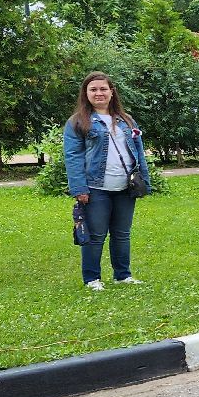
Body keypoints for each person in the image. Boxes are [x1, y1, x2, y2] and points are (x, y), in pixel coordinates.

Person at [63, 72, 148, 291]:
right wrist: (79, 188)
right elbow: (73, 157)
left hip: (124, 187)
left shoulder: (126, 119)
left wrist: (144, 181)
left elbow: (139, 151)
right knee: (96, 235)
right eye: (93, 89)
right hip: (96, 188)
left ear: (112, 92)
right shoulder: (77, 122)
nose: (99, 93)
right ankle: (92, 279)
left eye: (103, 89)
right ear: (86, 94)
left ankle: (123, 275)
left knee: (122, 234)